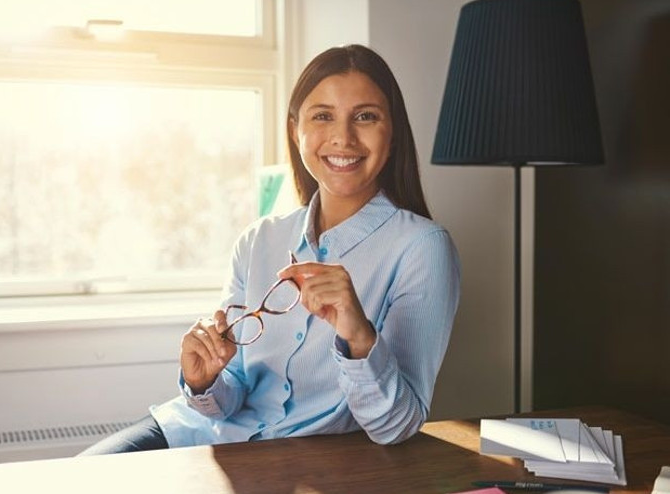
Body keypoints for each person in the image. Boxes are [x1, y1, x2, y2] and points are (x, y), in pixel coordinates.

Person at [78, 44, 460, 455]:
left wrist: (359, 335)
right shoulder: (259, 240)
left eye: (365, 116)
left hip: (294, 460)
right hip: (195, 433)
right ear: (296, 129)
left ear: (393, 131)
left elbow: (397, 425)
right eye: (322, 116)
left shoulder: (423, 249)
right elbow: (230, 396)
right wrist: (205, 381)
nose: (343, 137)